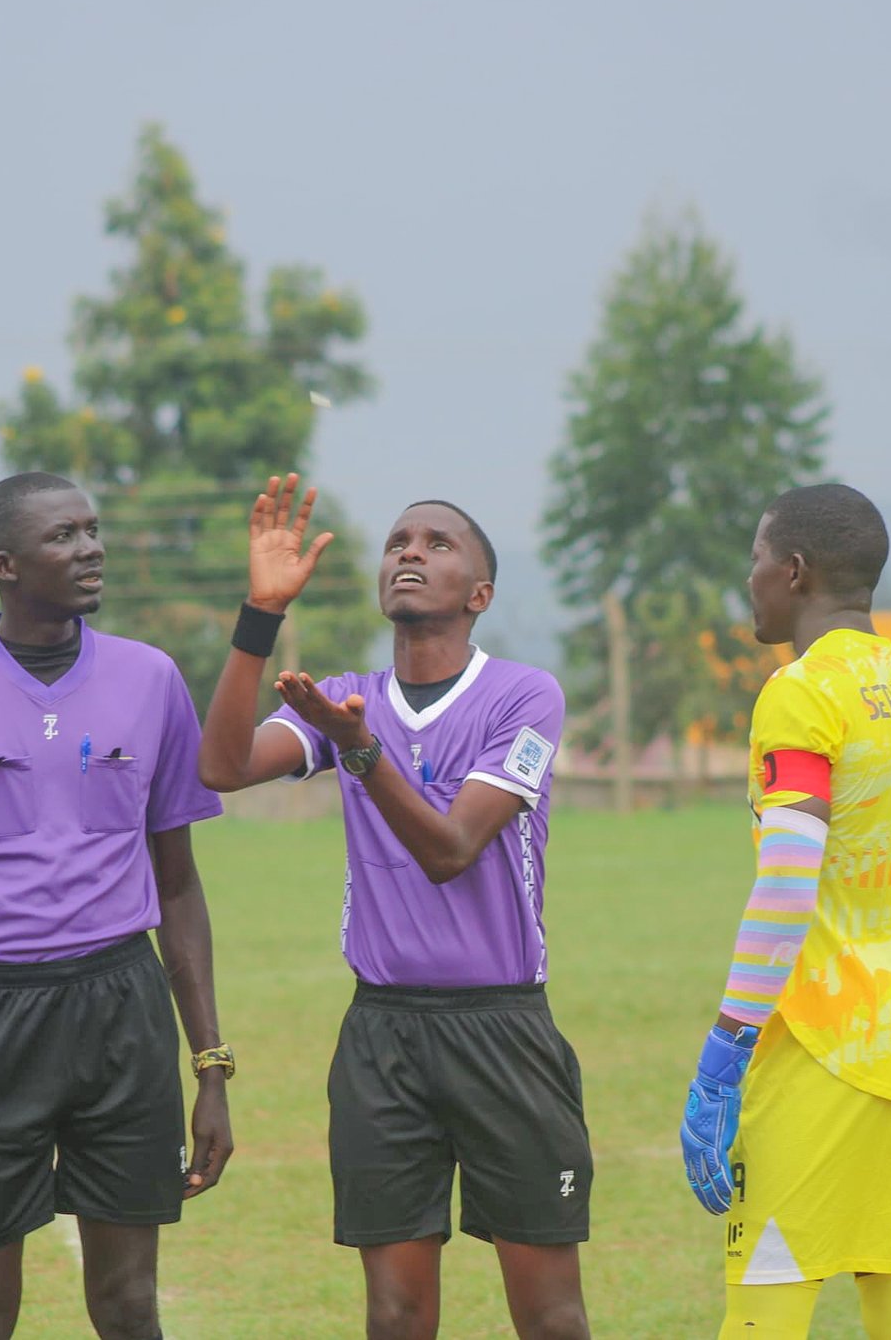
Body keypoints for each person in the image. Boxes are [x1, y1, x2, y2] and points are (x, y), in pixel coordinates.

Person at [198, 474, 592, 1340]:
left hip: (503, 1029)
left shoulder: (524, 697)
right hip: (381, 1036)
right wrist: (259, 617)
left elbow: (451, 850)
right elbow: (221, 766)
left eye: (436, 543)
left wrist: (360, 750)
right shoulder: (348, 695)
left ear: (480, 593)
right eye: (398, 541)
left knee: (551, 1313)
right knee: (396, 1311)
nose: (409, 550)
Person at [0, 472, 230, 1340]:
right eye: (64, 536)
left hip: (122, 1005)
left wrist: (211, 1065)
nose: (91, 548)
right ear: (4, 565)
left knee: (128, 1303)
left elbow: (180, 885)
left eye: (93, 529)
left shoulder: (151, 678)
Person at [676, 483, 891, 1340]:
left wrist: (727, 1046)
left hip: (830, 1046)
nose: (749, 579)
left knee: (766, 1310)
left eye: (755, 559)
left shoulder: (801, 692)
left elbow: (787, 884)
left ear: (794, 570)